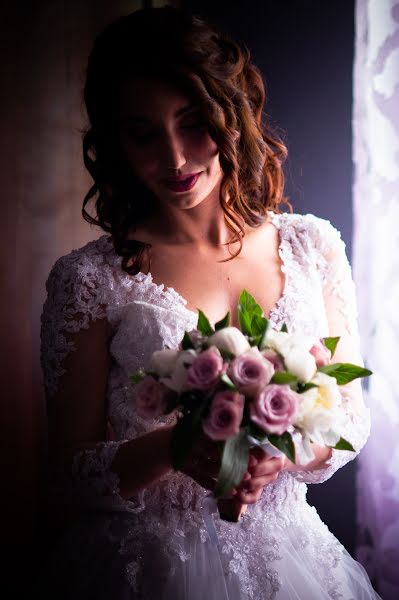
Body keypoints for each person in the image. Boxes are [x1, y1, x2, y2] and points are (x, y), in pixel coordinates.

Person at [37, 6, 381, 599]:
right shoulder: (88, 280)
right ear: (115, 141)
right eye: (143, 133)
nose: (173, 158)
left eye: (193, 122)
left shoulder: (312, 247)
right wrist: (173, 448)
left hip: (289, 558)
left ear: (232, 116)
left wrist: (285, 452)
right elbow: (68, 475)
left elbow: (348, 419)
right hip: (144, 570)